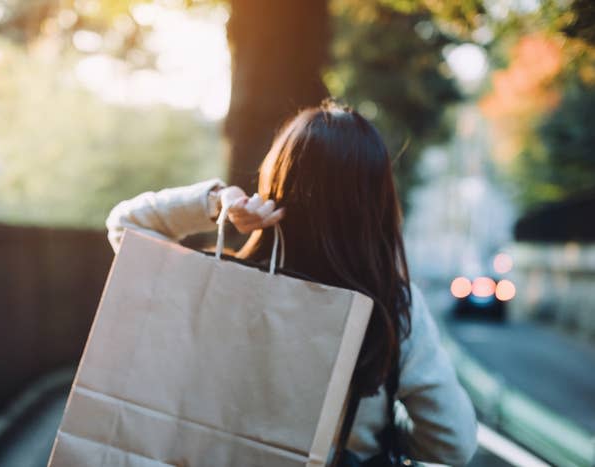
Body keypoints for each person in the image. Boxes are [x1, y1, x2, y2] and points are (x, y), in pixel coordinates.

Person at [105, 101, 478, 465]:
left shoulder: (225, 286)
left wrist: (219, 203)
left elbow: (125, 226)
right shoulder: (389, 308)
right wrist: (376, 434)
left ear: (276, 183)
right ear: (374, 205)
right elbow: (452, 443)